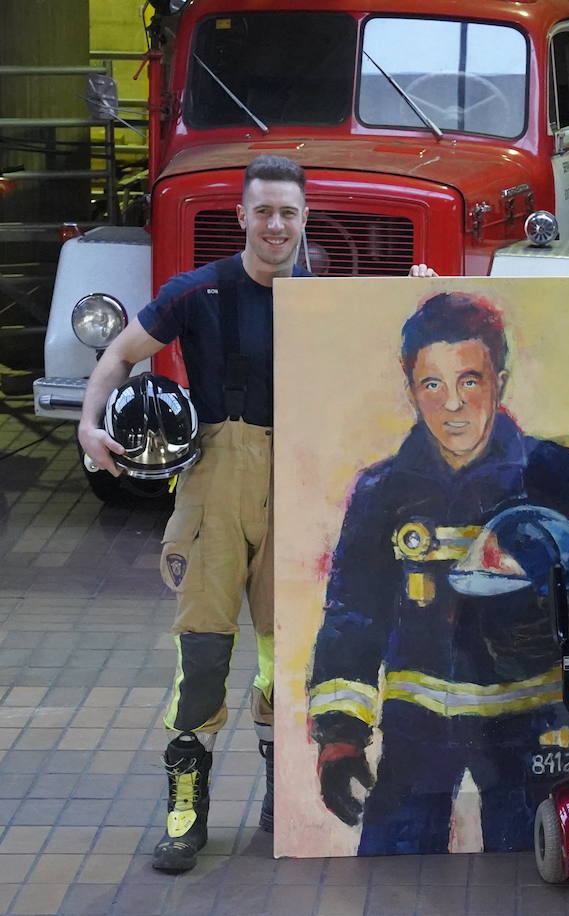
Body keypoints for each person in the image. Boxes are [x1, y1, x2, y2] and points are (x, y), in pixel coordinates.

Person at [77, 154, 311, 873]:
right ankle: (185, 814)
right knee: (203, 655)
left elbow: (405, 329)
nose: (276, 224)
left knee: (287, 655)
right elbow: (119, 353)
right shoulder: (198, 290)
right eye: (263, 211)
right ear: (242, 217)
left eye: (289, 213)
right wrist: (90, 426)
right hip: (213, 479)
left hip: (298, 483)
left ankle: (283, 809)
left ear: (304, 221)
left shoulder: (328, 298)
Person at [307, 291, 569, 855]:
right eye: (432, 384)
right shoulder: (380, 492)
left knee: (534, 877)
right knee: (391, 874)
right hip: (417, 730)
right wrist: (340, 737)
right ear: (410, 388)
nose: (453, 405)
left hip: (534, 724)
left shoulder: (558, 475)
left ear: (500, 379)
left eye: (470, 380)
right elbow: (354, 614)